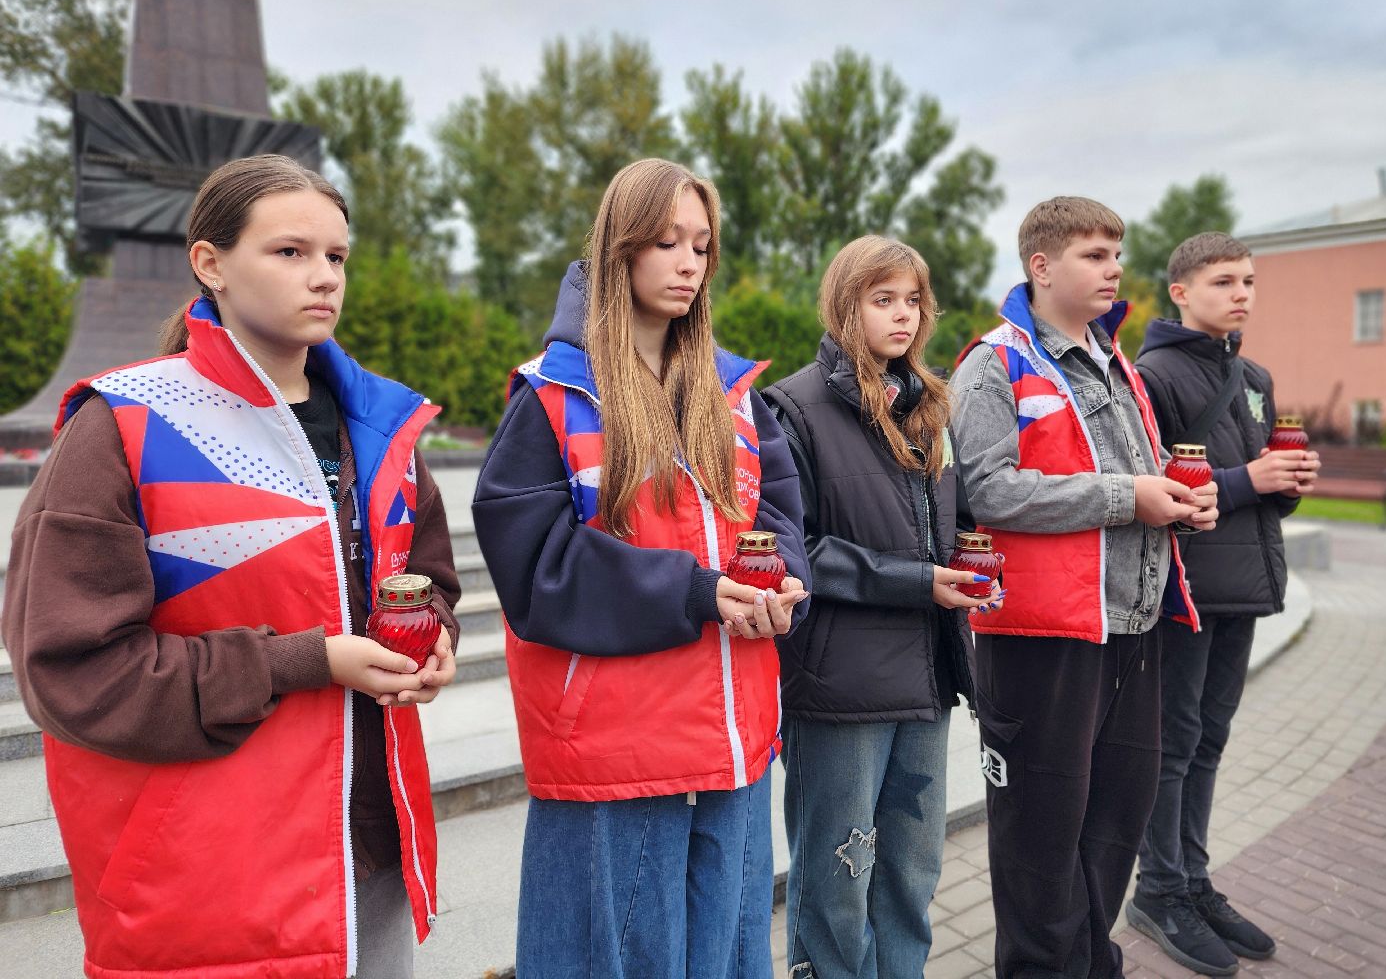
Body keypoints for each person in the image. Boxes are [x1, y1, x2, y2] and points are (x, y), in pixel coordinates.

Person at [1, 154, 461, 979]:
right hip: (207, 874)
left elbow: (427, 578)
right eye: (290, 252)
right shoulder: (124, 425)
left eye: (336, 257)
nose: (322, 276)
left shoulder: (383, 426)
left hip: (371, 854)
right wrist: (305, 660)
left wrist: (434, 641)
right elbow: (70, 670)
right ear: (210, 264)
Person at [471, 158, 810, 978]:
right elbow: (535, 565)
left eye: (702, 245)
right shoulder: (552, 396)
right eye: (666, 241)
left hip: (732, 735)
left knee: (728, 962)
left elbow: (780, 513)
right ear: (618, 249)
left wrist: (785, 580)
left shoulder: (737, 396)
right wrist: (696, 593)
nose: (690, 262)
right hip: (614, 747)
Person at [947, 196, 1220, 979]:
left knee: (1114, 828)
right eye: (1094, 255)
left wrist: (1179, 498)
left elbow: (1145, 475)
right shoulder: (994, 364)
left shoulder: (1116, 361)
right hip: (1043, 640)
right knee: (1041, 842)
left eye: (1117, 254)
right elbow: (989, 491)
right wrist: (1127, 495)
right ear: (1041, 266)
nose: (1114, 269)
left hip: (1131, 628)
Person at [762, 236, 1002, 979]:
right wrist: (917, 580)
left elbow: (942, 524)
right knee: (838, 882)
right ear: (844, 305)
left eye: (913, 301)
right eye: (883, 299)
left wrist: (966, 562)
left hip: (928, 676)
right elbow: (793, 549)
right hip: (841, 685)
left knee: (910, 876)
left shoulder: (929, 406)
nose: (904, 316)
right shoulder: (792, 407)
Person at [1126, 232, 1321, 975]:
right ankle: (1158, 890)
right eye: (1221, 281)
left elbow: (1261, 493)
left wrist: (1286, 482)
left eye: (1247, 280)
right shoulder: (1152, 377)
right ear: (1180, 291)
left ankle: (1195, 882)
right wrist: (1253, 479)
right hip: (1185, 592)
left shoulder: (1254, 374)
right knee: (1173, 747)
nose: (1240, 292)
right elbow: (1161, 493)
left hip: (1241, 590)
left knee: (1209, 740)